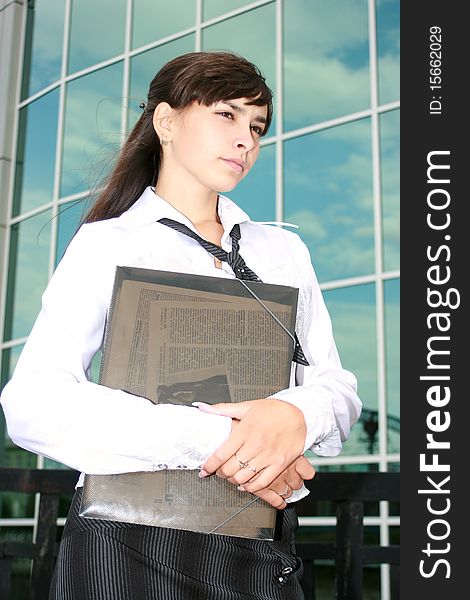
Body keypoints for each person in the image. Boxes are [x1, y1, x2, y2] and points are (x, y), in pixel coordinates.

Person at [0, 51, 361, 599]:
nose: (246, 139)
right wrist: (232, 443)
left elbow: (337, 390)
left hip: (258, 542)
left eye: (257, 126)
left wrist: (295, 415)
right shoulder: (109, 243)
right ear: (166, 122)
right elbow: (33, 404)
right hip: (124, 546)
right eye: (227, 115)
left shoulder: (283, 250)